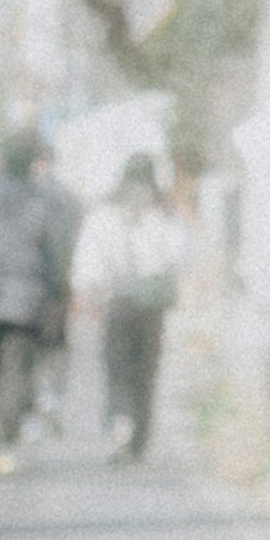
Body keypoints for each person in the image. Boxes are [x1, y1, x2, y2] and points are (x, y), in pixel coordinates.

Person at [0, 129, 75, 463]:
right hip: (28, 298)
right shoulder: (46, 203)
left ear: (3, 161)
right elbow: (58, 251)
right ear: (33, 164)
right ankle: (5, 439)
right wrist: (55, 292)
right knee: (17, 367)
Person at [80, 167, 190, 460]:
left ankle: (119, 421)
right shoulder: (165, 212)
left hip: (118, 301)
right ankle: (140, 437)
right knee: (146, 371)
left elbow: (90, 263)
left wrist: (90, 296)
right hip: (152, 304)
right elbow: (180, 257)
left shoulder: (105, 214)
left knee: (117, 368)